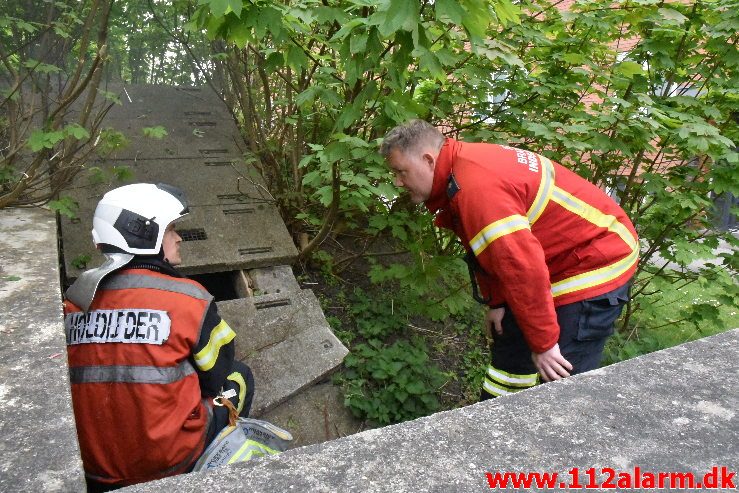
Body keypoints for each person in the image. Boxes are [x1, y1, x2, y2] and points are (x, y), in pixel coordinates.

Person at [380, 120, 638, 399]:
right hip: (554, 258)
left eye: (400, 171)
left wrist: (544, 344)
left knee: (560, 375)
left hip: (595, 259)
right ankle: (497, 427)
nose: (397, 182)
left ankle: (558, 431)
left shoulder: (477, 189)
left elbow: (522, 269)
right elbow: (491, 251)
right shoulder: (461, 172)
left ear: (428, 160)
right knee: (511, 347)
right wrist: (499, 300)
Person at [63, 183, 254, 490]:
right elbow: (217, 375)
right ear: (144, 233)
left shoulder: (74, 302)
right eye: (171, 229)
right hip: (170, 462)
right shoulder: (188, 299)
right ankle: (216, 471)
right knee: (241, 377)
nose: (178, 238)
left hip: (95, 468)